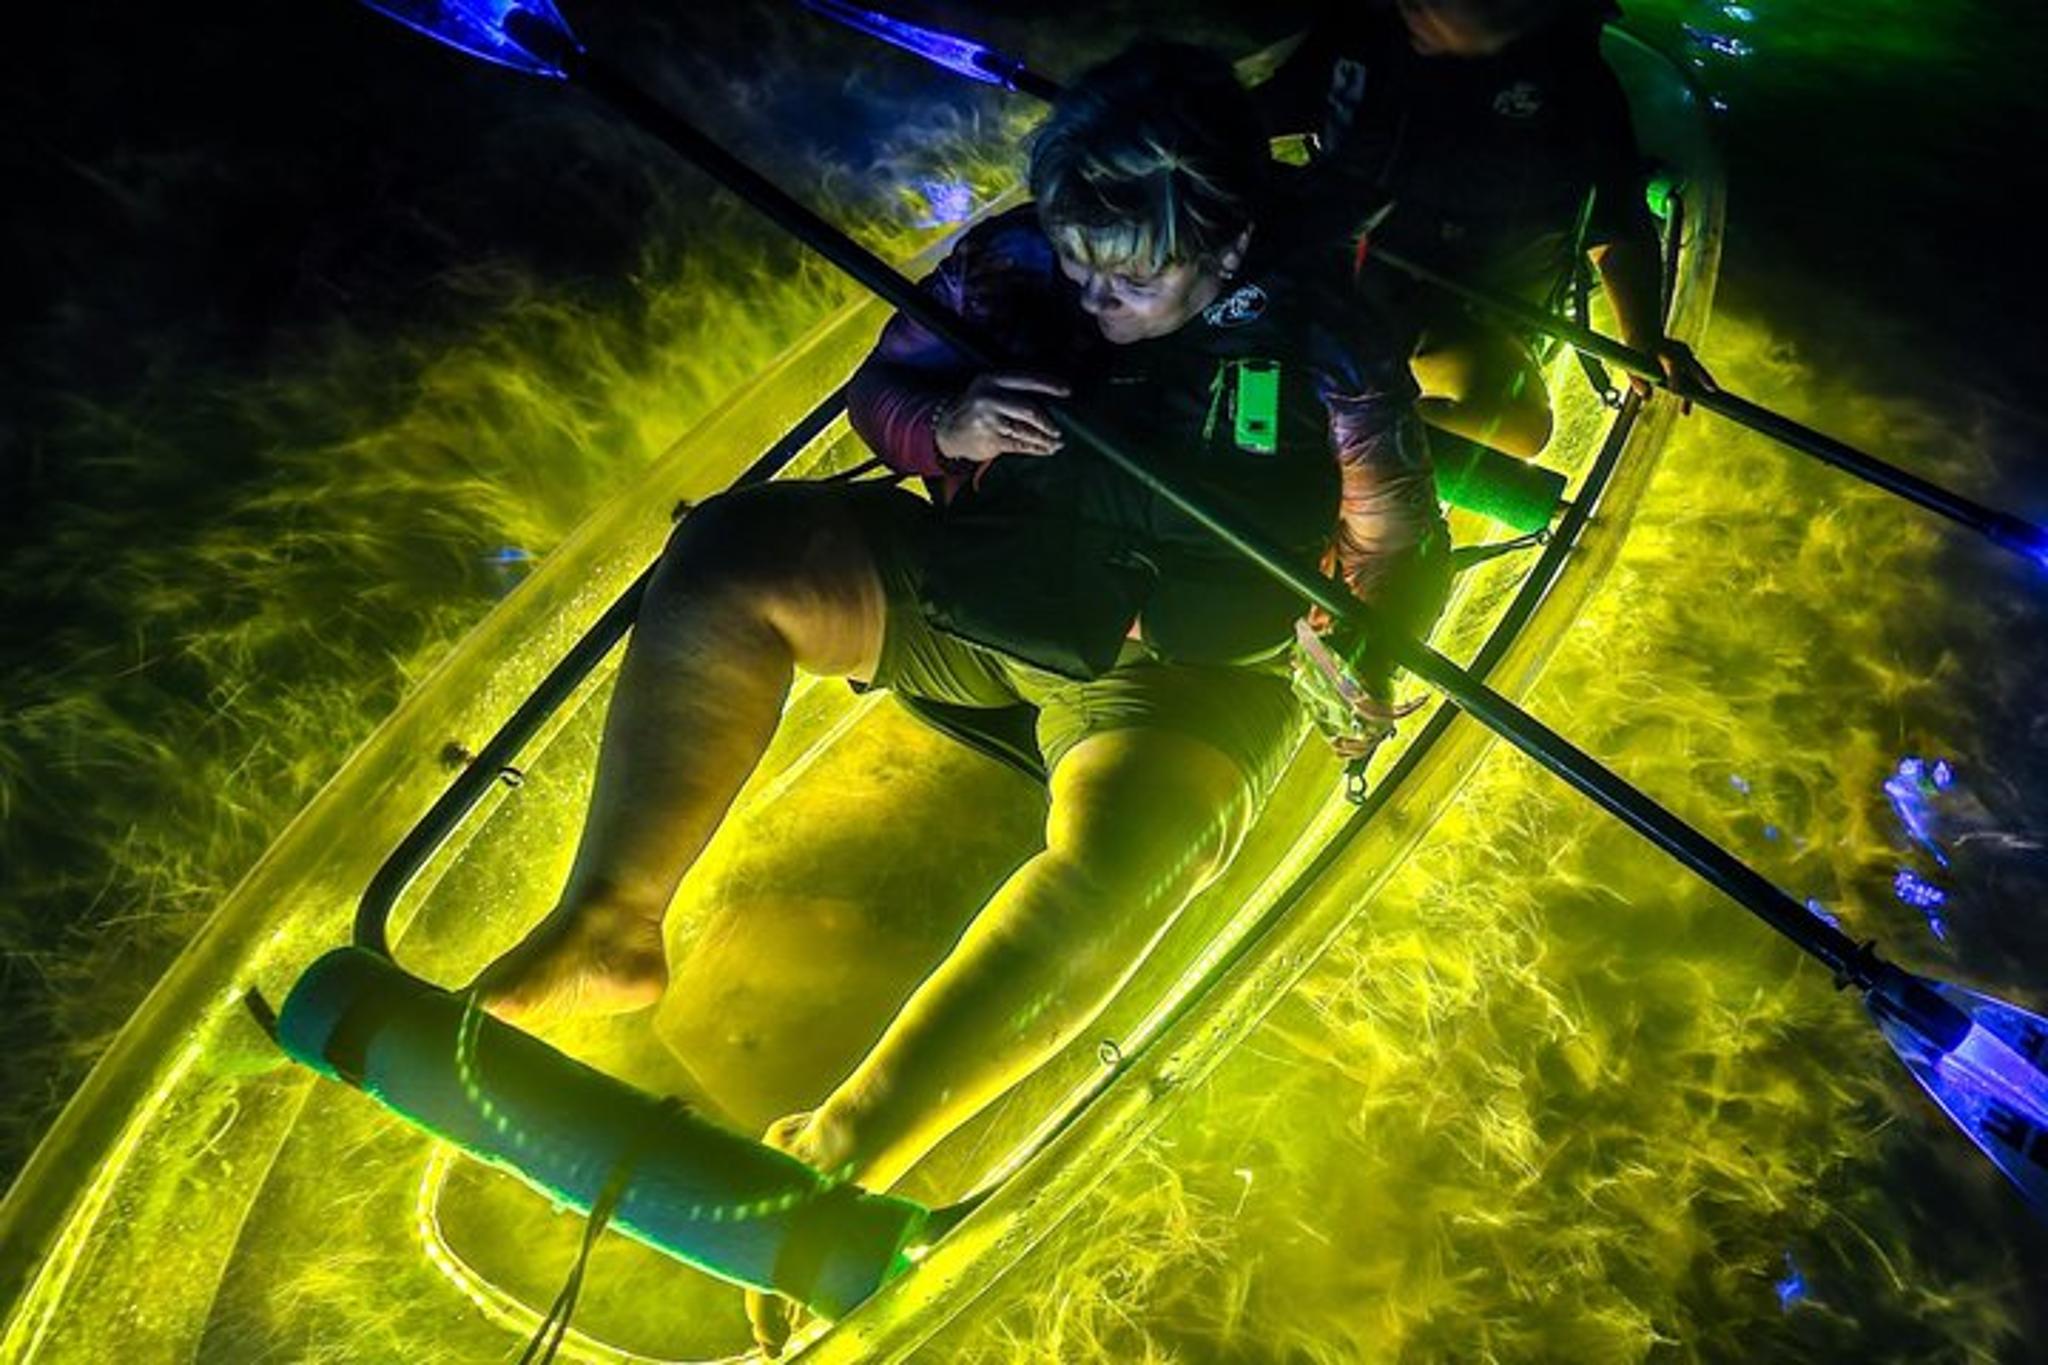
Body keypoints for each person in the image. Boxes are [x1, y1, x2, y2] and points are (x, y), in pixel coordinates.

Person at [472, 39, 1446, 1352]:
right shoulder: (1013, 261)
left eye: (1134, 276)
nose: (1095, 294)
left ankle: (852, 1139)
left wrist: (1361, 651)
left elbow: (1398, 536)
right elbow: (886, 394)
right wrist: (958, 421)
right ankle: (610, 924)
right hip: (988, 596)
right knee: (727, 554)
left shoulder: (1322, 337)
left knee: (1121, 865)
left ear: (1221, 246)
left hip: (1179, 671)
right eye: (1079, 256)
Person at [1260, 0, 1716, 458]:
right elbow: (1265, 112)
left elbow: (1619, 223)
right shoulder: (1364, 36)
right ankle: (1302, 426)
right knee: (1246, 355)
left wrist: (1644, 337)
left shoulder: (1573, 88)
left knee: (1521, 428)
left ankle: (1337, 441)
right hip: (1348, 277)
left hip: (1467, 314)